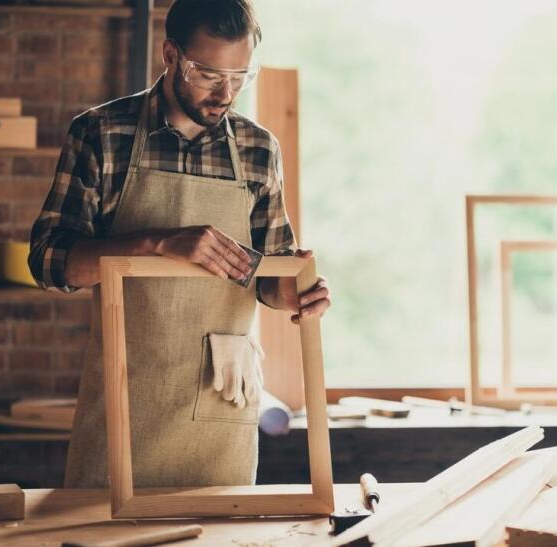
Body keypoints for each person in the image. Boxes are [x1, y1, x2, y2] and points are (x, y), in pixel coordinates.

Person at [28, 0, 330, 488]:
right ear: (170, 55)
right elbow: (47, 262)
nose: (226, 93)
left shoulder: (258, 151)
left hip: (219, 410)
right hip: (124, 408)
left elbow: (268, 277)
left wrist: (297, 294)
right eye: (209, 75)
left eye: (240, 76)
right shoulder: (103, 135)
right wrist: (156, 242)